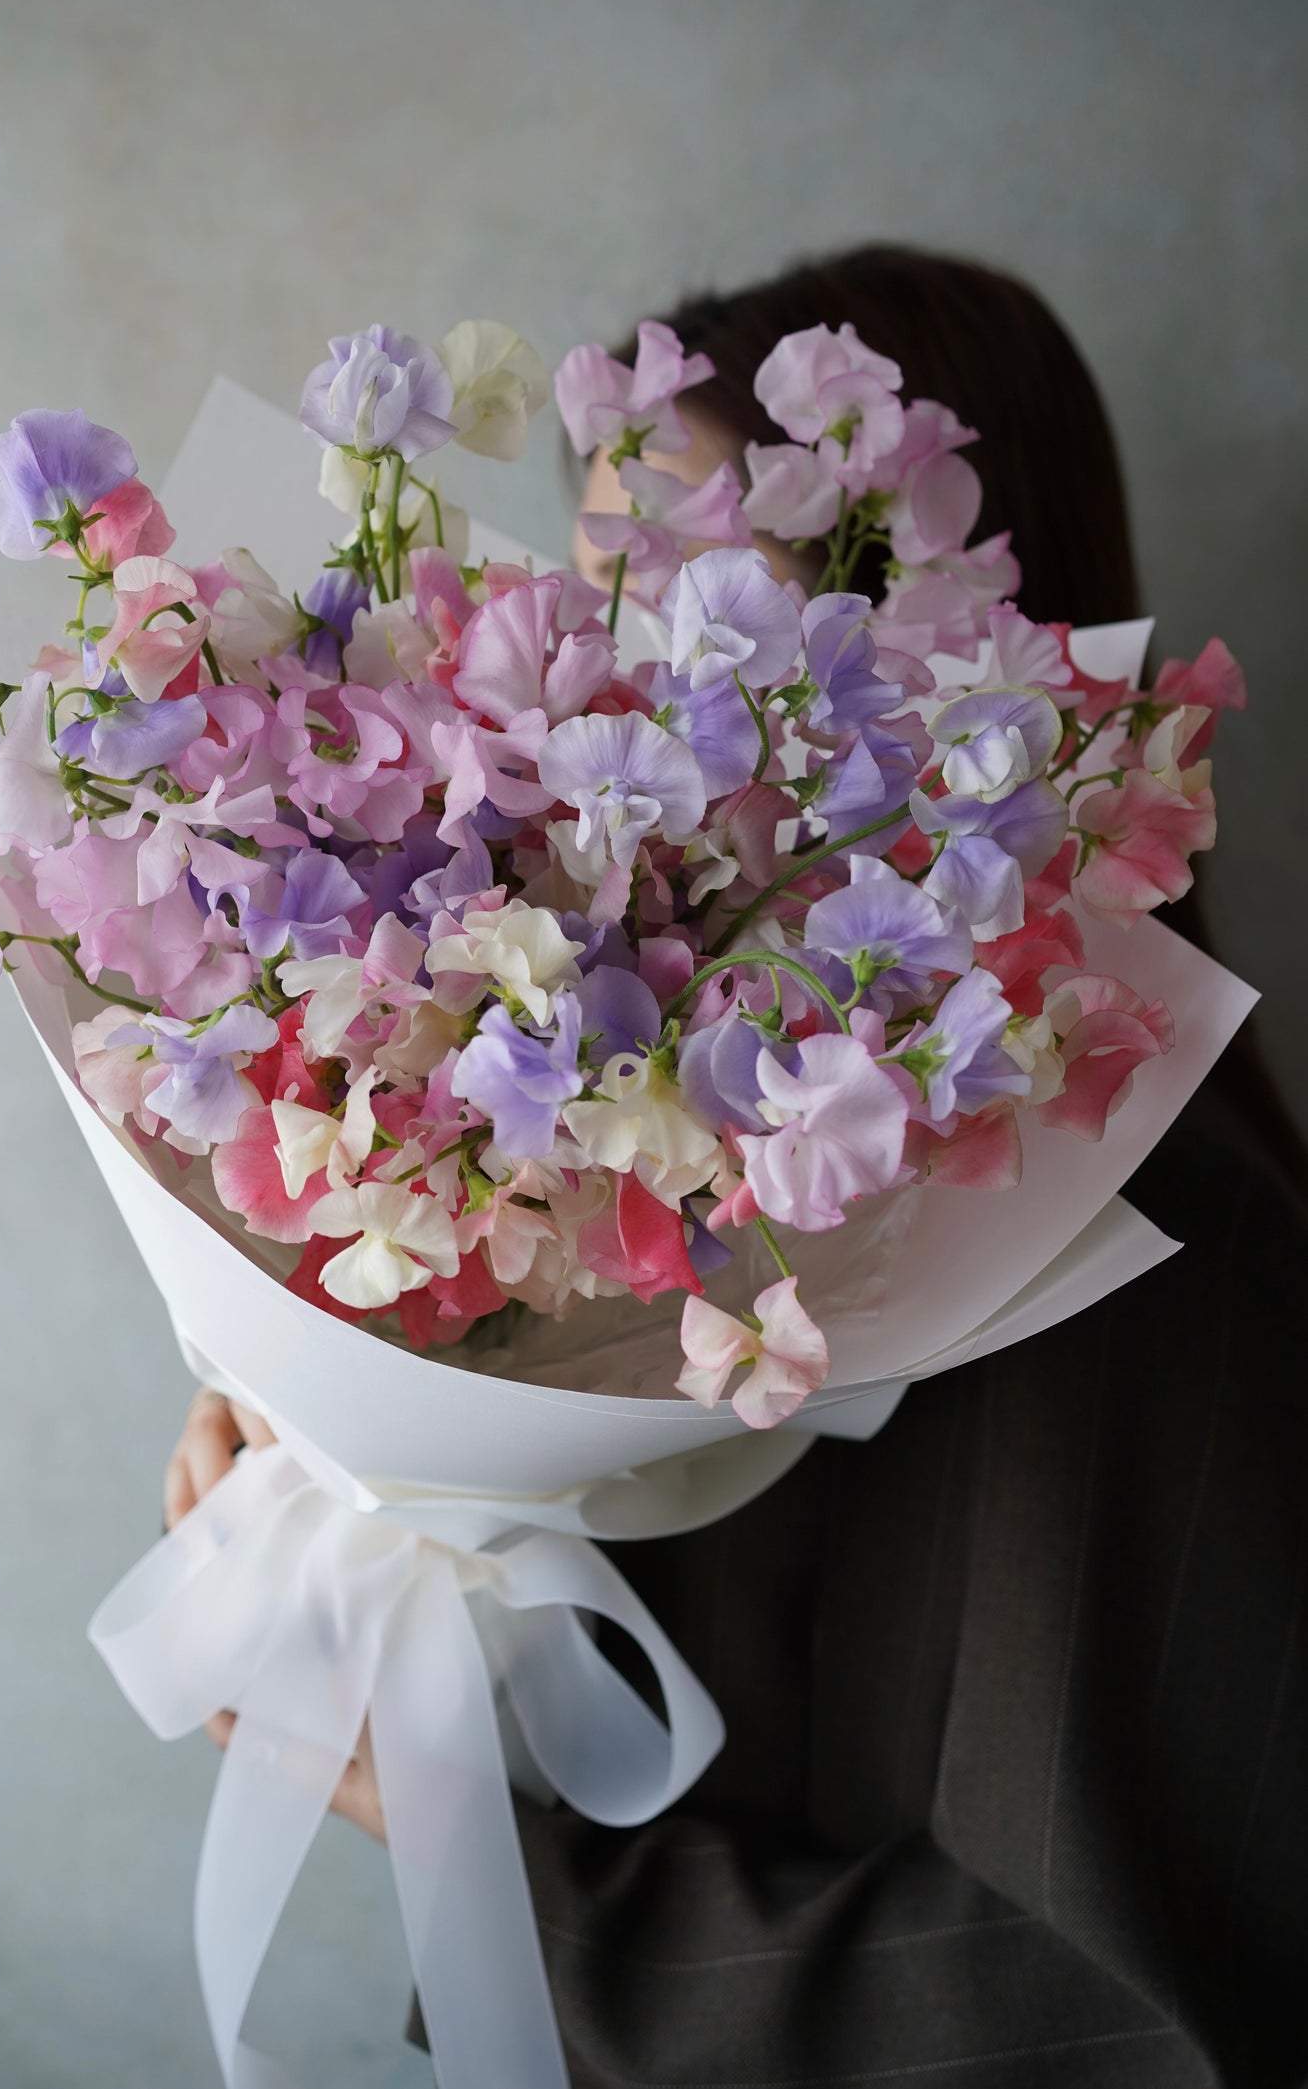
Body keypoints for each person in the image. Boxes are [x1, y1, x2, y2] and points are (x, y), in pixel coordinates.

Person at [164, 247, 1308, 2085]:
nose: (611, 696)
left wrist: (488, 1860)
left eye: (704, 612)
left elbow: (1122, 2020)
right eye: (591, 599)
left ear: (960, 660)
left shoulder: (1160, 1270)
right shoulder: (695, 1207)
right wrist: (355, 1506)